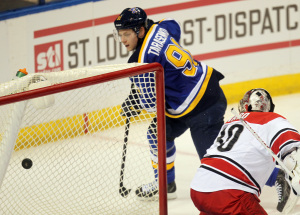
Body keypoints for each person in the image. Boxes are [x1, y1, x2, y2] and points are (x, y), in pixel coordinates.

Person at [113, 7, 227, 199]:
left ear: (140, 31)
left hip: (204, 107)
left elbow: (152, 105)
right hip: (196, 95)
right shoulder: (160, 28)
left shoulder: (143, 62)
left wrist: (136, 103)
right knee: (157, 134)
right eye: (120, 34)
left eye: (127, 34)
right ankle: (165, 185)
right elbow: (173, 24)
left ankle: (275, 175)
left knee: (216, 167)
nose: (123, 40)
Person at [190, 88, 300, 214]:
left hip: (199, 188)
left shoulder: (230, 122)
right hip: (230, 192)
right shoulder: (271, 119)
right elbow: (294, 150)